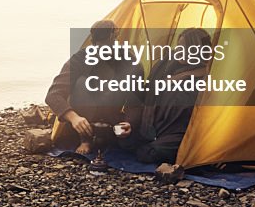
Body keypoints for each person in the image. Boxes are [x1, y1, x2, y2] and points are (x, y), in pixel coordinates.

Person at [115, 27, 212, 164]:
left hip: (176, 132)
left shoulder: (206, 78)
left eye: (184, 47)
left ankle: (152, 145)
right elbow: (143, 95)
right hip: (150, 127)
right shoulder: (165, 65)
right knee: (120, 135)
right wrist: (132, 122)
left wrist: (186, 78)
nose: (179, 51)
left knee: (150, 153)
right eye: (179, 46)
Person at [45, 20, 132, 155]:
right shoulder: (79, 60)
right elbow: (53, 95)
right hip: (85, 122)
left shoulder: (127, 58)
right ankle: (86, 140)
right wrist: (73, 117)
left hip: (113, 119)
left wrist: (130, 122)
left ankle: (112, 136)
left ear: (115, 39)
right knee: (82, 83)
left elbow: (137, 95)